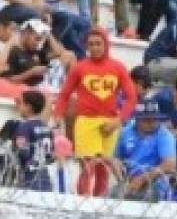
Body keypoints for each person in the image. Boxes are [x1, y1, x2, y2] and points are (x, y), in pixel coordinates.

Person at [53, 27, 137, 158]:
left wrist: (118, 121)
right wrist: (57, 115)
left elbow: (132, 98)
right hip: (86, 122)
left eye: (98, 44)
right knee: (88, 167)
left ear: (106, 44)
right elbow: (64, 95)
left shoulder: (118, 68)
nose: (94, 48)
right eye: (91, 44)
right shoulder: (79, 68)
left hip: (110, 124)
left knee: (104, 169)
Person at [113, 98, 177, 199]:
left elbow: (170, 164)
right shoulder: (126, 132)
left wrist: (142, 179)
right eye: (147, 120)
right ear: (137, 119)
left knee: (148, 197)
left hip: (155, 179)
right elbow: (116, 157)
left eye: (154, 119)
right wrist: (120, 176)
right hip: (130, 178)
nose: (152, 123)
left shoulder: (164, 135)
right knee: (112, 196)